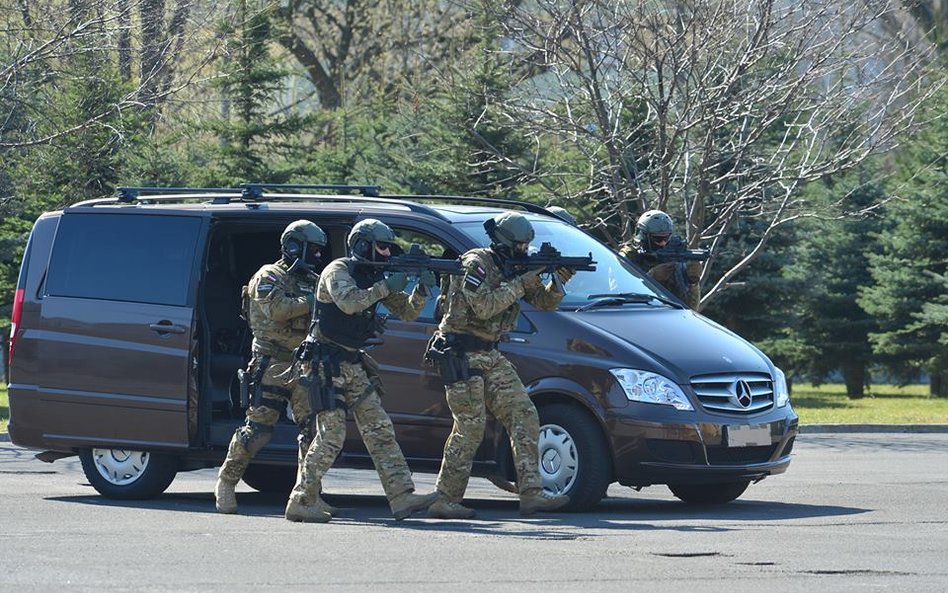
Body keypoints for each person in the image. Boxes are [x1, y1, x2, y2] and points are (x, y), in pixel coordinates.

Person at [284, 218, 439, 523]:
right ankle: (301, 500)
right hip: (323, 363)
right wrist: (385, 286)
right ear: (363, 245)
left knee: (379, 428)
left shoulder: (373, 275)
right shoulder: (337, 271)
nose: (385, 254)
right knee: (332, 435)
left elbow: (407, 311)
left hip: (351, 363)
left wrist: (421, 288)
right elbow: (349, 303)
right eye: (381, 247)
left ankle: (401, 496)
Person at [424, 211, 572, 519]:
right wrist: (522, 281)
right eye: (519, 246)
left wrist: (559, 278)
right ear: (504, 243)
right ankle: (446, 499)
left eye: (526, 247)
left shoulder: (515, 267)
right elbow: (484, 305)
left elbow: (544, 302)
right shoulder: (475, 264)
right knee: (470, 427)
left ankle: (531, 492)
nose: (524, 252)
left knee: (524, 414)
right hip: (460, 351)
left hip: (490, 354)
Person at [215, 220, 327, 514]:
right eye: (312, 250)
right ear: (293, 246)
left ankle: (308, 495)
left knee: (312, 433)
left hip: (303, 363)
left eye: (319, 251)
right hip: (271, 363)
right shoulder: (268, 276)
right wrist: (315, 300)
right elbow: (277, 310)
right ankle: (226, 482)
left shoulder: (311, 281)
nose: (317, 256)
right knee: (258, 430)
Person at [619, 209, 702, 309]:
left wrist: (693, 283)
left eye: (666, 238)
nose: (663, 243)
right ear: (644, 236)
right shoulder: (628, 256)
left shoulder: (675, 253)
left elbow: (690, 309)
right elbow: (618, 296)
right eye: (658, 238)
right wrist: (650, 278)